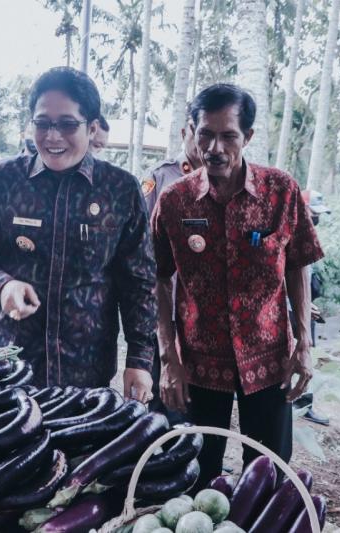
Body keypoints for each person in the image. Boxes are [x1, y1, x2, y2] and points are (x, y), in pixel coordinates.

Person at [152, 84, 324, 489]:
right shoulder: (174, 201)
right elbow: (158, 279)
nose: (215, 147)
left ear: (247, 137)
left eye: (228, 135)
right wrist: (168, 358)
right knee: (195, 471)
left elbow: (298, 263)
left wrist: (304, 344)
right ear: (191, 133)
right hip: (197, 360)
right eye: (205, 134)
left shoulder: (281, 192)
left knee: (268, 472)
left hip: (268, 360)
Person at [0, 66, 156, 399]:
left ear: (92, 128)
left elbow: (138, 280)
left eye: (67, 124)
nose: (53, 137)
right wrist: (2, 284)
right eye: (42, 123)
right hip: (9, 358)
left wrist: (139, 359)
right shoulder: (4, 179)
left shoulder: (120, 189)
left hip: (85, 367)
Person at [141, 103, 204, 419]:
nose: (207, 144)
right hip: (165, 308)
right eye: (200, 132)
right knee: (162, 395)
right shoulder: (158, 179)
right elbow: (141, 248)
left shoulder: (226, 180)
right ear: (186, 132)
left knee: (198, 400)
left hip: (206, 315)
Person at [291, 189, 332, 426]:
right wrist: (302, 306)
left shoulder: (308, 232)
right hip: (292, 310)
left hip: (305, 307)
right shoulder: (292, 227)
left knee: (306, 352)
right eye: (313, 214)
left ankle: (304, 404)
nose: (315, 219)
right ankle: (297, 403)